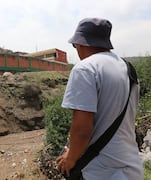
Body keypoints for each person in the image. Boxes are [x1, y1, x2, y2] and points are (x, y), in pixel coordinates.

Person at [56, 18, 144, 179]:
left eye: (74, 45)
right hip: (132, 168)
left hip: (101, 171)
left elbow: (82, 131)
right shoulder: (128, 69)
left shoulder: (85, 68)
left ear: (81, 44)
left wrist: (71, 158)